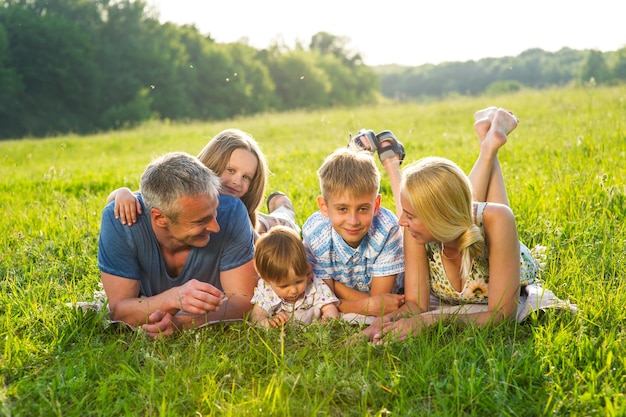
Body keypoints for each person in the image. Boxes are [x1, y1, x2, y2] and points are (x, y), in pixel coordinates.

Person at [361, 107, 575, 343]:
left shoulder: (496, 220)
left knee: (496, 214)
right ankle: (489, 144)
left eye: (410, 216)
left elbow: (502, 315)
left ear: (437, 217)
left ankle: (489, 144)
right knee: (466, 206)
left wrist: (432, 321)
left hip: (496, 237)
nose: (401, 221)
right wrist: (386, 321)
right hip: (459, 219)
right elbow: (415, 305)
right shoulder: (414, 234)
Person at [97, 151, 258, 338]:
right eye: (200, 221)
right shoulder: (121, 222)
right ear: (159, 218)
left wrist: (182, 323)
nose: (216, 227)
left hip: (259, 231)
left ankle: (281, 205)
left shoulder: (231, 213)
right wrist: (174, 298)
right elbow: (119, 310)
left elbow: (243, 301)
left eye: (214, 211)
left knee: (280, 225)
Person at [108, 128, 299, 240]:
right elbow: (145, 197)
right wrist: (122, 194)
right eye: (231, 170)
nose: (236, 181)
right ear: (213, 162)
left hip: (260, 226)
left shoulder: (239, 212)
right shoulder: (186, 187)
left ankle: (283, 206)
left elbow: (260, 250)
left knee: (280, 223)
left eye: (246, 177)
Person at [301, 145, 406, 320]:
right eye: (342, 209)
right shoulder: (316, 233)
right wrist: (362, 306)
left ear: (376, 205)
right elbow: (324, 299)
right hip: (361, 295)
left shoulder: (387, 229)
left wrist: (335, 287)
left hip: (395, 284)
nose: (353, 221)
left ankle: (392, 161)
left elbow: (380, 301)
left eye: (363, 209)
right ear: (324, 207)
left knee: (407, 222)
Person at [249, 226, 340, 328]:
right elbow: (257, 317)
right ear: (267, 280)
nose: (293, 290)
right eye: (284, 286)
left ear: (306, 271)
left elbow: (328, 306)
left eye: (298, 281)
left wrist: (329, 318)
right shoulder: (267, 290)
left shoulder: (313, 283)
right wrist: (268, 323)